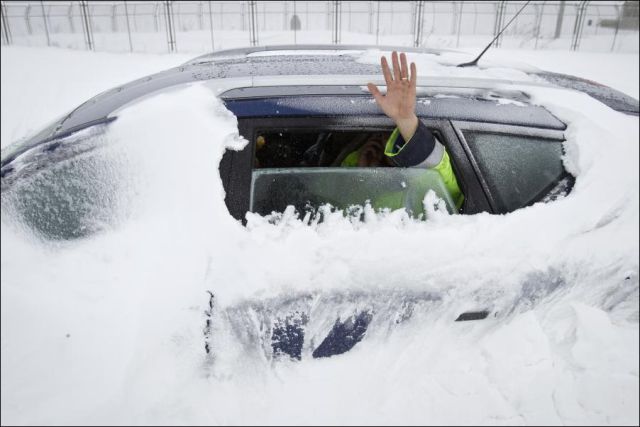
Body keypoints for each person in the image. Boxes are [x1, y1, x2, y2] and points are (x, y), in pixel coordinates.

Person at [345, 51, 464, 210]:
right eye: (381, 135)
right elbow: (337, 204)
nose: (384, 141)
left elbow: (441, 187)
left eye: (396, 137)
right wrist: (362, 176)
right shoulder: (353, 163)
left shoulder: (422, 194)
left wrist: (405, 120)